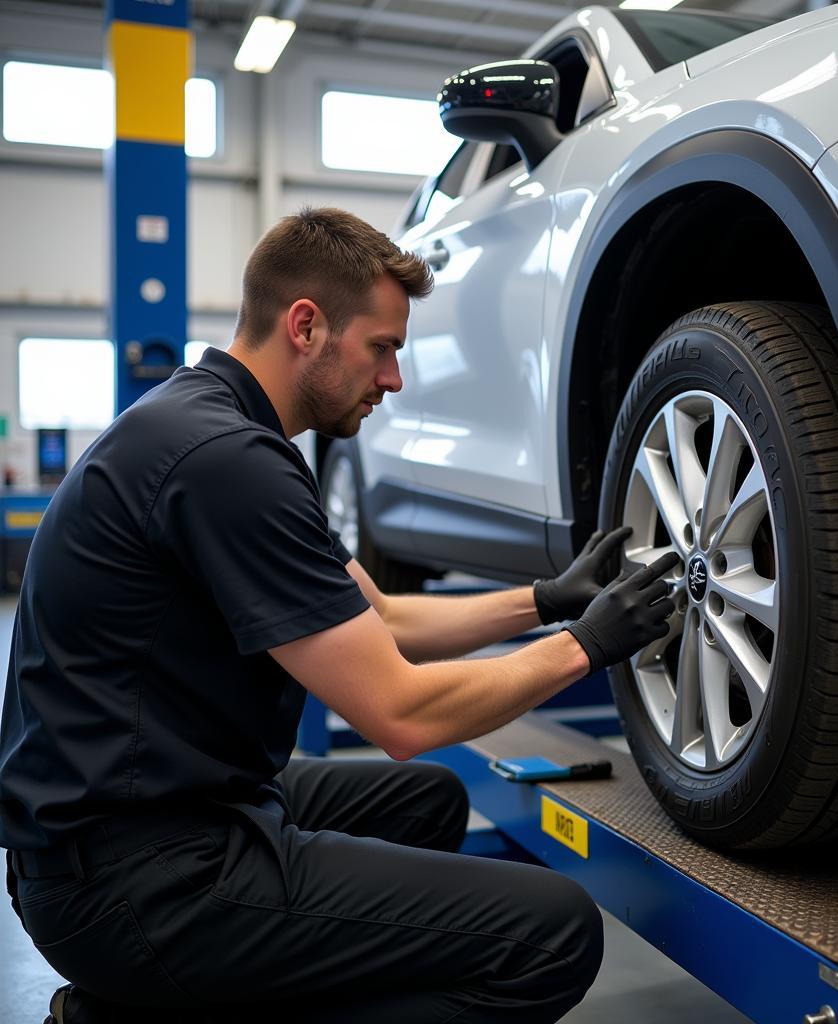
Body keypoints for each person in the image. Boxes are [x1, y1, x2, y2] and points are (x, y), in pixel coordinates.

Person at [0, 207, 678, 1023]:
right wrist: (585, 646)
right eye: (383, 348)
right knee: (554, 934)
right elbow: (398, 713)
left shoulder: (218, 428)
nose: (394, 380)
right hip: (136, 882)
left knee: (425, 802)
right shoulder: (227, 464)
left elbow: (380, 619)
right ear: (307, 325)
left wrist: (543, 602)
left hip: (143, 822)